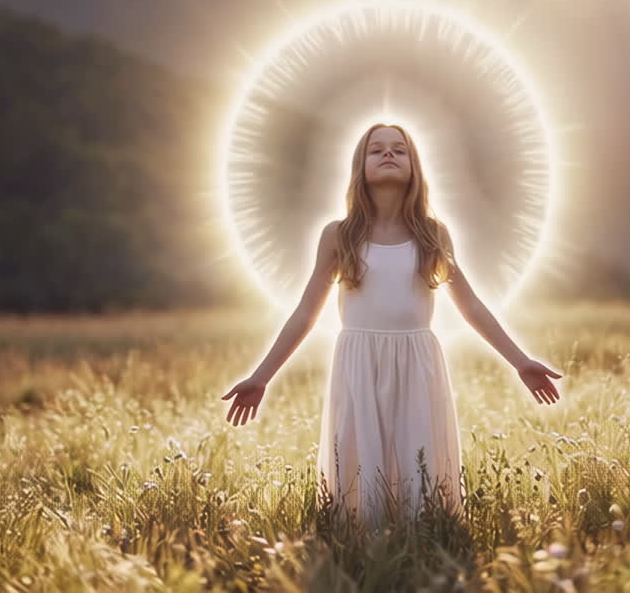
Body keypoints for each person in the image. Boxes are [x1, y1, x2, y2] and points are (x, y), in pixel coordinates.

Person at [220, 122, 563, 528]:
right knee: (360, 470)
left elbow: (471, 306)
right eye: (376, 149)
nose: (388, 154)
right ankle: (360, 548)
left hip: (417, 362)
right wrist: (262, 377)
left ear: (414, 167)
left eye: (399, 150)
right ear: (360, 167)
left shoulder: (432, 235)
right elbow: (305, 312)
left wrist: (520, 361)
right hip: (358, 362)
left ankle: (426, 542)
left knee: (419, 466)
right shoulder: (339, 235)